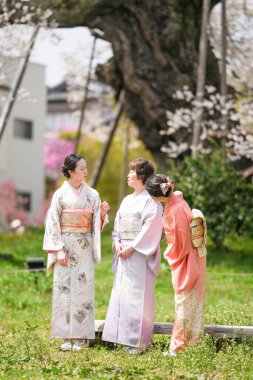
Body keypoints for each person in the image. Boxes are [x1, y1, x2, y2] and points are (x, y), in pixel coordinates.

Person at [43, 154, 109, 351]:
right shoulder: (60, 195)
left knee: (83, 289)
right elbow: (53, 223)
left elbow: (95, 225)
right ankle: (65, 337)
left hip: (84, 248)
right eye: (81, 168)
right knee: (63, 289)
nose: (85, 171)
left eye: (86, 168)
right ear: (70, 172)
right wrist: (59, 251)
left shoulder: (93, 195)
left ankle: (80, 337)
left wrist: (103, 214)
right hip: (65, 245)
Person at [102, 158, 163, 354]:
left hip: (139, 254)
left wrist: (132, 247)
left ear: (142, 176)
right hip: (123, 252)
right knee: (123, 294)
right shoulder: (127, 200)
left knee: (138, 296)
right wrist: (118, 242)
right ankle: (121, 337)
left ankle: (139, 341)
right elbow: (118, 226)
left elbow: (150, 229)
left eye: (132, 172)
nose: (128, 175)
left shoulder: (152, 201)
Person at [145, 174, 206, 356]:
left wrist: (167, 253)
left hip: (187, 259)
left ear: (156, 197)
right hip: (191, 257)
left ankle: (179, 348)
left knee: (184, 304)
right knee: (188, 304)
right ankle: (190, 346)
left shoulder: (175, 209)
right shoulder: (176, 203)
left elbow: (180, 243)